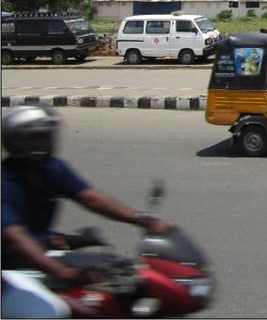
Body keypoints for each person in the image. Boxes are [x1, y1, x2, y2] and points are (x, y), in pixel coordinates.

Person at [1, 107, 171, 318]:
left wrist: (141, 219)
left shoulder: (52, 169)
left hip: (40, 258)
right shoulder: (4, 184)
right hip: (9, 272)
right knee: (50, 311)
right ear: (19, 142)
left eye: (48, 135)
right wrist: (66, 273)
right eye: (39, 137)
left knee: (118, 277)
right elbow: (17, 240)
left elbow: (90, 197)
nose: (48, 142)